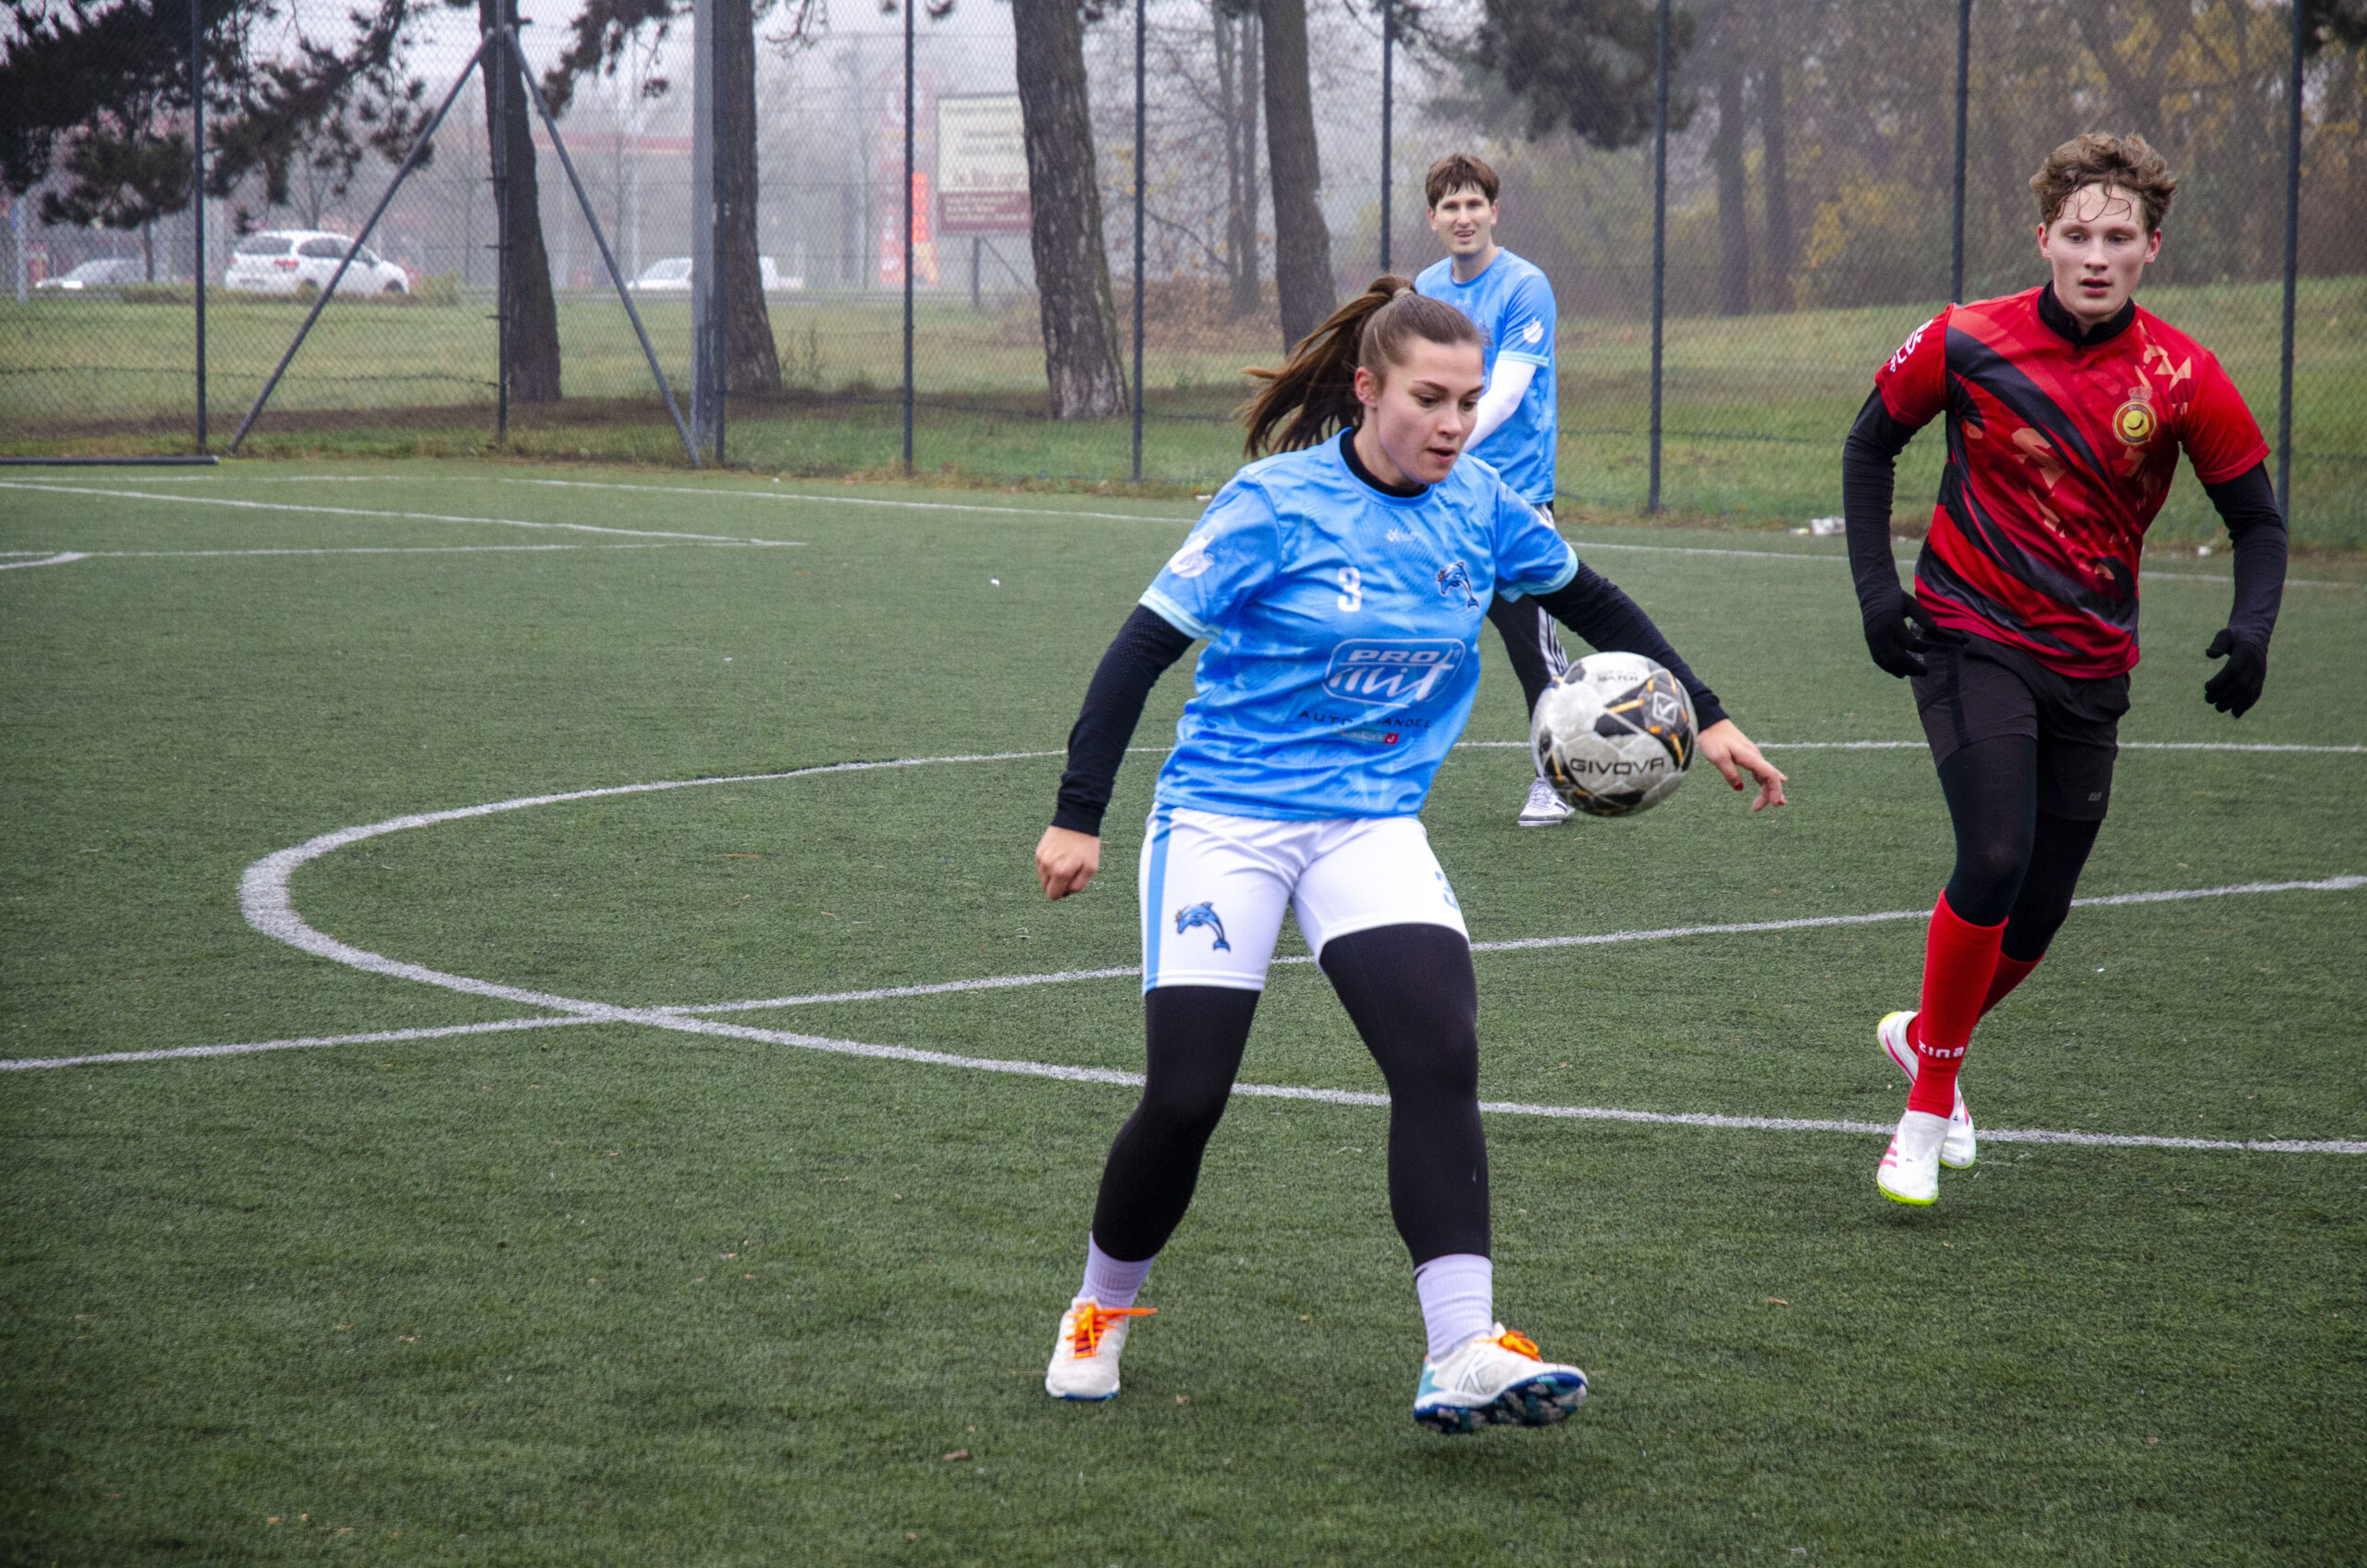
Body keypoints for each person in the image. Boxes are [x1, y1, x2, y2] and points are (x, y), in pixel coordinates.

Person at [1032, 276, 1788, 1431]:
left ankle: (1460, 1346)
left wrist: (1712, 713)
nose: (1452, 423)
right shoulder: (1273, 504)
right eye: (1429, 399)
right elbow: (1137, 652)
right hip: (1226, 817)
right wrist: (1077, 813)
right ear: (1367, 390)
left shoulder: (1480, 506)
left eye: (1468, 402)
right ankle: (1100, 1305)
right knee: (1186, 1096)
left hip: (1368, 821)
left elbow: (1594, 600)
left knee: (1439, 1054)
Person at [1842, 132, 2287, 1207]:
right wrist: (1878, 595)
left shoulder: (2183, 376)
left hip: (2090, 660)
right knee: (1994, 854)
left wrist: (2252, 627)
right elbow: (1867, 446)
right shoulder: (1963, 338)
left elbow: (2258, 522)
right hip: (1968, 632)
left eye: (2118, 237)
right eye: (2077, 235)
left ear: (2150, 249)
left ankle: (1923, 1037)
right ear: (2042, 238)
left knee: (2039, 911)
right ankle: (1922, 1116)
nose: (2096, 255)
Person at [1414, 153, 1577, 829]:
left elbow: (1505, 396)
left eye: (1474, 204)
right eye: (1450, 206)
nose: (1463, 217)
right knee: (1401, 629)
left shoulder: (1525, 286)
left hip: (1512, 499)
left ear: (1494, 211)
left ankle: (1561, 777)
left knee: (1532, 646)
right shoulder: (1425, 289)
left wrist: (1437, 445)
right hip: (1435, 494)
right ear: (1432, 218)